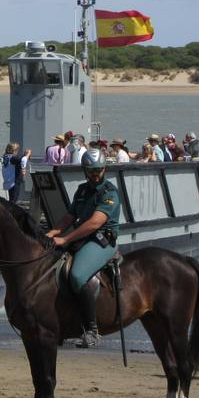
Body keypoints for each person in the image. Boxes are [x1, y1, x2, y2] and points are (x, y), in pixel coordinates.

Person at [47, 148, 122, 349]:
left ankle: (92, 330)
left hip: (102, 242)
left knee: (78, 276)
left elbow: (94, 223)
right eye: (90, 171)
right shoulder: (81, 190)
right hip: (81, 239)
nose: (94, 175)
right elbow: (69, 216)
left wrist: (65, 239)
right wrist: (53, 232)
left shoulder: (110, 193)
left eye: (97, 170)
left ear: (104, 169)